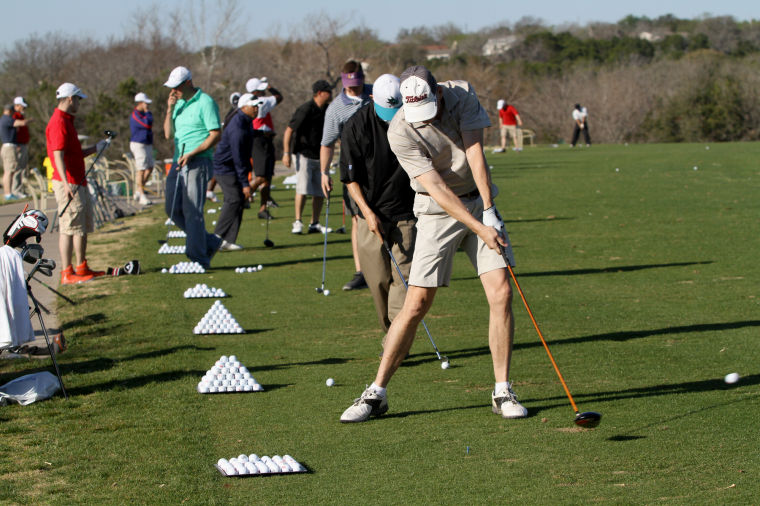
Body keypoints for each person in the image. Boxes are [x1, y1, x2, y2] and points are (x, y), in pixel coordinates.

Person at [340, 65, 527, 423]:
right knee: (416, 304)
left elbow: (474, 153)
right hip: (435, 209)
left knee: (501, 292)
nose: (422, 120)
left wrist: (488, 210)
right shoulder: (400, 129)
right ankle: (376, 393)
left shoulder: (461, 94)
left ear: (437, 93)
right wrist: (478, 224)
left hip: (477, 201)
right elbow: (438, 189)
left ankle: (502, 390)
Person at [339, 73, 415, 339]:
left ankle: (396, 340)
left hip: (407, 213)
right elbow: (351, 179)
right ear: (372, 98)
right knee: (379, 281)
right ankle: (391, 332)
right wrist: (367, 214)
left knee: (403, 281)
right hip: (371, 215)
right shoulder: (356, 127)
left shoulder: (412, 120)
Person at [46, 83, 106, 284]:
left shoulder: (67, 121)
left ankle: (81, 267)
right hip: (69, 183)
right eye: (78, 99)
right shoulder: (59, 122)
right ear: (70, 98)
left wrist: (96, 148)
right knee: (70, 227)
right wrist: (65, 184)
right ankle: (67, 272)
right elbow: (58, 156)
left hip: (77, 181)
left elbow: (74, 154)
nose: (80, 103)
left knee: (81, 226)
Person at [162, 66, 223, 268]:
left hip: (198, 161)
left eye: (176, 87)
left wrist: (193, 153)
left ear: (188, 83)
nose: (173, 91)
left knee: (192, 211)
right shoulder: (178, 103)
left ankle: (198, 258)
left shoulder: (205, 102)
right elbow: (168, 135)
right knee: (172, 208)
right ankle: (210, 242)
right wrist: (170, 108)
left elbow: (215, 134)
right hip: (178, 161)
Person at [320, 60, 372, 291]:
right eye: (350, 86)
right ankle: (362, 271)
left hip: (384, 165)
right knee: (357, 219)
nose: (354, 90)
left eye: (358, 85)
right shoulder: (335, 108)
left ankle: (392, 266)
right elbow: (327, 143)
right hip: (353, 168)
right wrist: (324, 172)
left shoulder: (377, 94)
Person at [282, 79, 332, 234]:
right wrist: (286, 153)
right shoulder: (305, 109)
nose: (330, 94)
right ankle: (297, 221)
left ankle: (315, 223)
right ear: (319, 93)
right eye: (328, 91)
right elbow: (289, 130)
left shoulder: (328, 109)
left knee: (320, 190)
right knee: (303, 188)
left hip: (320, 155)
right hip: (304, 154)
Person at [212, 93, 261, 250]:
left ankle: (228, 240)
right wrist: (245, 183)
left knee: (238, 199)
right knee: (234, 199)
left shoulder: (246, 121)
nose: (256, 108)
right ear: (243, 107)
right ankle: (216, 238)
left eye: (257, 105)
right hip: (224, 167)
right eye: (253, 106)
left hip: (232, 166)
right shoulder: (238, 126)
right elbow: (238, 156)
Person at [245, 77, 283, 219]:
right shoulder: (263, 101)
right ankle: (242, 198)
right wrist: (270, 86)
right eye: (261, 89)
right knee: (261, 177)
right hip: (259, 140)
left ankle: (263, 209)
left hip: (263, 140)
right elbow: (279, 97)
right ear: (256, 91)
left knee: (267, 177)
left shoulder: (251, 102)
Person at [207, 92, 241, 204]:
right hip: (227, 148)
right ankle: (210, 190)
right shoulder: (232, 115)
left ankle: (211, 190)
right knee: (222, 171)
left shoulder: (235, 114)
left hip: (229, 147)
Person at [129, 92, 155, 205]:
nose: (147, 105)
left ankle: (139, 190)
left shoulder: (146, 113)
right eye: (145, 103)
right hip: (138, 144)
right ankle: (141, 194)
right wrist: (147, 112)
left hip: (147, 143)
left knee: (150, 167)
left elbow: (150, 121)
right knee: (141, 168)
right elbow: (146, 125)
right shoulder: (135, 115)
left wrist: (147, 112)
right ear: (140, 103)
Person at [11, 97, 32, 197]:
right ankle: (16, 190)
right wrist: (17, 144)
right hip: (19, 145)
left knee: (23, 168)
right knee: (18, 168)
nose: (24, 108)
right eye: (22, 106)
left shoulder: (21, 115)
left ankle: (22, 189)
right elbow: (15, 132)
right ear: (17, 105)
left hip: (23, 144)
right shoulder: (15, 116)